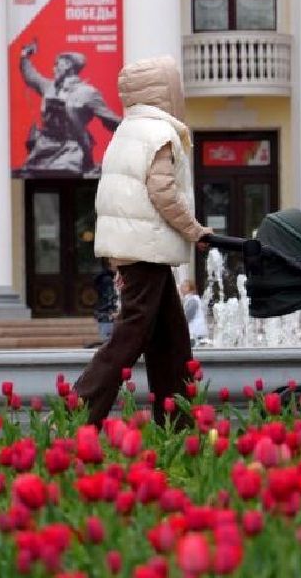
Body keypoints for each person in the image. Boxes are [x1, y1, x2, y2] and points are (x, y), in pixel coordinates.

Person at [74, 57, 212, 426]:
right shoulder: (159, 134)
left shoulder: (127, 131)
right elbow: (163, 192)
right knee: (131, 331)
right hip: (146, 247)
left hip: (136, 246)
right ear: (166, 91)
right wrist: (195, 230)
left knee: (171, 339)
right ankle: (78, 412)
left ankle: (178, 420)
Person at [17, 41, 122, 176]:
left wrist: (136, 131)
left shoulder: (88, 93)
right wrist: (24, 56)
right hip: (42, 150)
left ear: (68, 66)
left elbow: (111, 119)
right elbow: (31, 76)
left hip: (70, 153)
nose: (53, 69)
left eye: (57, 65)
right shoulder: (49, 87)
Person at [90, 260, 119, 348]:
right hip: (107, 314)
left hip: (103, 314)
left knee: (107, 340)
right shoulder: (108, 280)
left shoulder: (105, 278)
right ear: (110, 266)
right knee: (109, 341)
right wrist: (114, 310)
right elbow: (110, 297)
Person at [182, 279, 209, 344]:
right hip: (197, 331)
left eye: (183, 286)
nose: (181, 288)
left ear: (188, 288)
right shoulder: (192, 299)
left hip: (195, 331)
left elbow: (188, 316)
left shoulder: (192, 300)